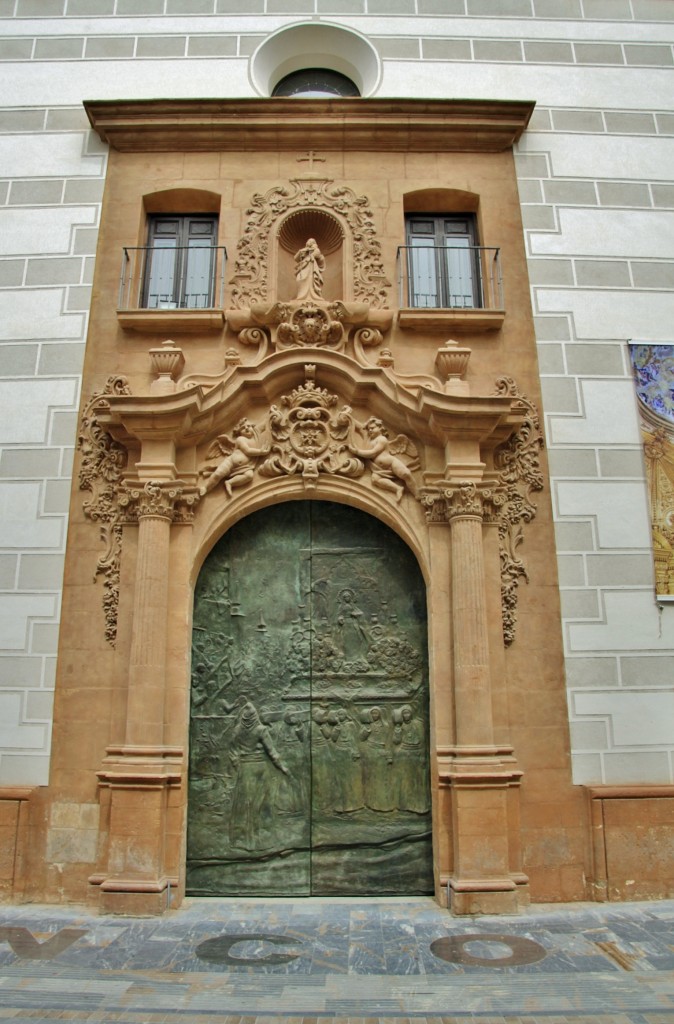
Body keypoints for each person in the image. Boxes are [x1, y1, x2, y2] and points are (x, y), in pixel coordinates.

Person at [199, 418, 268, 497]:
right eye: (243, 428)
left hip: (246, 467)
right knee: (218, 474)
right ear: (239, 432)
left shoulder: (256, 436)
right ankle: (205, 488)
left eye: (248, 426)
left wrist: (273, 413)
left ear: (253, 427)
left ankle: (230, 483)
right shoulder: (241, 439)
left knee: (249, 476)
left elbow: (265, 424)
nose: (246, 428)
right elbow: (247, 451)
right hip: (230, 463)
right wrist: (261, 452)